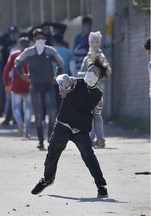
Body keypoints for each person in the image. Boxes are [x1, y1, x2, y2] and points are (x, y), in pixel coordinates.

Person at [31, 55, 111, 198]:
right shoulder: (74, 83)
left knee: (88, 155)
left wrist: (100, 137)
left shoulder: (98, 95)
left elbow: (97, 117)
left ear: (99, 78)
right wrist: (62, 86)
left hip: (80, 130)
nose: (92, 72)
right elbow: (61, 77)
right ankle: (47, 179)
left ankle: (101, 186)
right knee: (52, 154)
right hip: (63, 125)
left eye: (96, 72)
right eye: (91, 69)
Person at [14, 28, 64, 149]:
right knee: (38, 114)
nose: (40, 40)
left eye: (42, 37)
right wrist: (22, 75)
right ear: (34, 39)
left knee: (52, 112)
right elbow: (17, 62)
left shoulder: (50, 51)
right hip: (35, 85)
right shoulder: (29, 52)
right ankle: (40, 141)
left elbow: (60, 63)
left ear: (45, 39)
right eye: (38, 38)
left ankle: (50, 137)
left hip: (48, 85)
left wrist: (56, 76)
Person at [78, 31, 109, 148]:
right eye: (92, 41)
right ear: (89, 43)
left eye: (96, 41)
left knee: (97, 115)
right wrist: (86, 73)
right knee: (90, 115)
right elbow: (79, 72)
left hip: (98, 90)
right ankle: (92, 139)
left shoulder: (102, 57)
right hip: (87, 91)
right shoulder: (86, 58)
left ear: (99, 42)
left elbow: (105, 72)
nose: (94, 44)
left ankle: (99, 138)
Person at [3, 37, 32, 137]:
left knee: (16, 107)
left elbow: (6, 70)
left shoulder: (14, 54)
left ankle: (19, 122)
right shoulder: (32, 54)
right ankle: (26, 130)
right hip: (29, 85)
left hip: (16, 86)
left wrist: (7, 84)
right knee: (28, 108)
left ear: (19, 45)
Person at [52, 33, 76, 111]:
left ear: (53, 41)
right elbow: (73, 69)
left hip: (51, 81)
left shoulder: (49, 52)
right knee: (63, 100)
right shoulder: (68, 52)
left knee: (53, 102)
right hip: (64, 81)